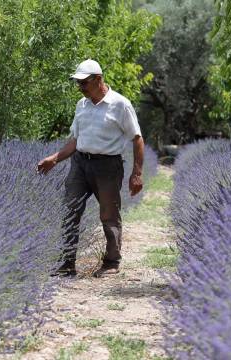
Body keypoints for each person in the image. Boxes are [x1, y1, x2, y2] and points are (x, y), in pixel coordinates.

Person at [37, 59, 144, 278]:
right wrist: (54, 158)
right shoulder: (81, 106)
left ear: (98, 79)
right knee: (70, 210)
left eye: (84, 83)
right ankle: (67, 264)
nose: (81, 88)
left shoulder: (120, 104)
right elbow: (76, 140)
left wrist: (137, 173)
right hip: (80, 164)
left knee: (109, 214)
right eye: (78, 83)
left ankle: (112, 261)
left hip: (107, 167)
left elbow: (137, 138)